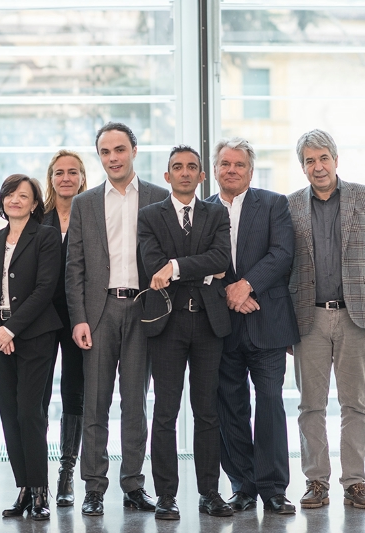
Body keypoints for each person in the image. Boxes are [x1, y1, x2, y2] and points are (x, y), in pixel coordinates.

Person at [65, 122, 169, 516]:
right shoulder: (85, 203)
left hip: (143, 309)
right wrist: (79, 318)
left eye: (120, 150)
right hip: (99, 312)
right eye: (105, 152)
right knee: (95, 403)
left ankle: (133, 485)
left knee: (135, 404)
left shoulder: (158, 197)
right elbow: (74, 266)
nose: (113, 158)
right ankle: (93, 487)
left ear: (134, 151)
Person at [287, 129, 365, 510]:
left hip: (356, 315)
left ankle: (355, 482)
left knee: (355, 404)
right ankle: (316, 481)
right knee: (310, 406)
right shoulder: (290, 206)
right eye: (309, 161)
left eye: (323, 158)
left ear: (335, 159)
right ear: (302, 166)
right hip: (308, 319)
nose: (317, 167)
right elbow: (284, 265)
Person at [138, 145, 233, 520]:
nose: (185, 172)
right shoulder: (150, 216)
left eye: (192, 167)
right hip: (168, 323)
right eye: (177, 167)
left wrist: (175, 267)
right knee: (165, 411)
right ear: (167, 176)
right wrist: (203, 270)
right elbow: (152, 265)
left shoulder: (216, 213)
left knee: (207, 411)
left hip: (209, 323)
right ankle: (166, 495)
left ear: (201, 175)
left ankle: (210, 493)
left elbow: (221, 259)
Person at [207, 138, 300, 515]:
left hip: (268, 320)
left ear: (250, 170)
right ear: (215, 169)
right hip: (221, 326)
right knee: (230, 406)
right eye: (225, 164)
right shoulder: (204, 209)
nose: (232, 170)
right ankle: (242, 485)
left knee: (270, 402)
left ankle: (273, 488)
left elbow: (282, 253)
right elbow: (198, 261)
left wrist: (246, 285)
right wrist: (230, 292)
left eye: (239, 164)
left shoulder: (274, 204)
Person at [0, 174, 62, 521]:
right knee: (10, 414)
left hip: (35, 335)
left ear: (34, 203)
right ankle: (23, 489)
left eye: (23, 196)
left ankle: (40, 491)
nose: (15, 200)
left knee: (29, 412)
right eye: (10, 194)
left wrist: (10, 329)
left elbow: (45, 289)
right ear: (2, 200)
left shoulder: (46, 236)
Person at [41, 149, 88, 507]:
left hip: (78, 316)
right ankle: (35, 476)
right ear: (51, 179)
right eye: (59, 172)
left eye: (73, 172)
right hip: (41, 317)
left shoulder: (92, 215)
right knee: (38, 395)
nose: (66, 178)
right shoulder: (36, 217)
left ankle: (66, 472)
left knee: (74, 392)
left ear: (83, 178)